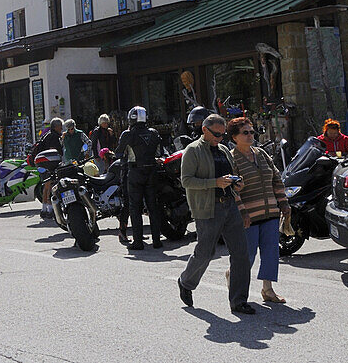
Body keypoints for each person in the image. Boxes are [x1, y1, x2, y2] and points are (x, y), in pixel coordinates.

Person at [177, 113, 255, 315]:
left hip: (229, 205)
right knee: (205, 252)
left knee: (241, 254)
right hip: (207, 208)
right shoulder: (192, 150)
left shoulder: (223, 150)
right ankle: (186, 282)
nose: (220, 138)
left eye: (223, 135)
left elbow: (229, 175)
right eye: (216, 134)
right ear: (204, 130)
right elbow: (186, 181)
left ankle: (238, 301)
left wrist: (236, 184)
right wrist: (215, 183)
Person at [228, 117, 289, 304]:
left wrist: (283, 203)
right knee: (248, 254)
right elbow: (232, 189)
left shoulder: (261, 154)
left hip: (270, 211)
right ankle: (235, 279)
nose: (250, 135)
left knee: (271, 252)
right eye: (245, 133)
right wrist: (242, 212)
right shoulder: (232, 158)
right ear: (234, 137)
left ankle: (268, 289)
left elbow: (276, 179)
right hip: (249, 215)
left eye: (252, 132)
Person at [115, 106, 163, 250]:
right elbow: (160, 151)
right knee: (152, 206)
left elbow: (118, 153)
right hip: (152, 171)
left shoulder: (128, 134)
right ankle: (157, 240)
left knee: (135, 207)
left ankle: (138, 242)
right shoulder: (154, 133)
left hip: (135, 172)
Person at [28, 117, 64, 218]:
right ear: (56, 127)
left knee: (46, 186)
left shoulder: (47, 135)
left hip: (42, 164)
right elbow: (53, 150)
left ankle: (44, 208)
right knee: (50, 186)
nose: (61, 128)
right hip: (50, 164)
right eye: (60, 126)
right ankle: (50, 208)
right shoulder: (54, 137)